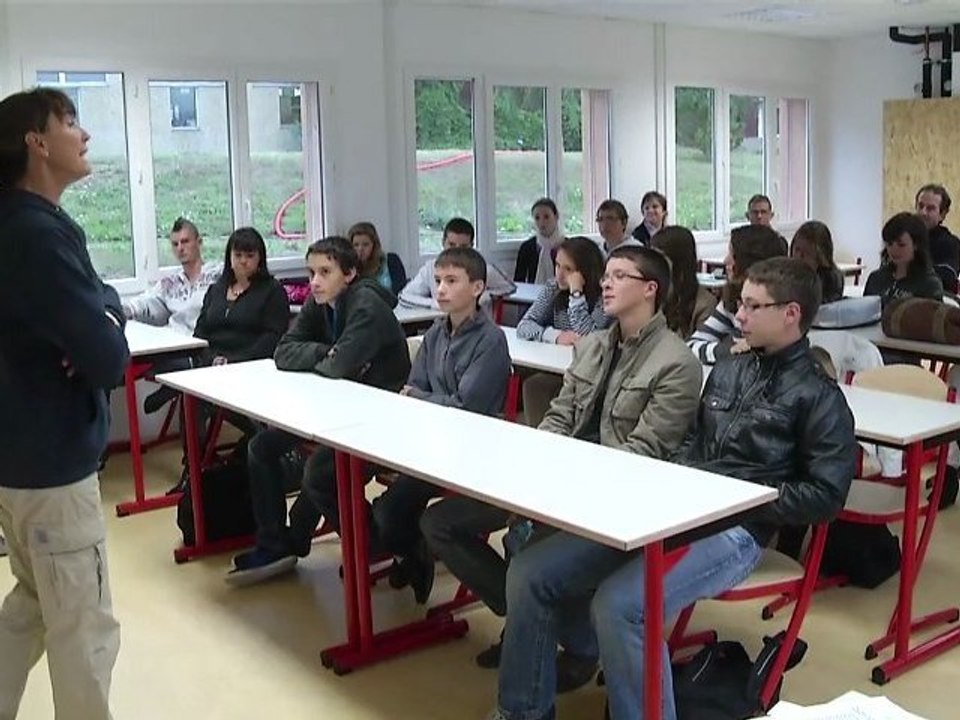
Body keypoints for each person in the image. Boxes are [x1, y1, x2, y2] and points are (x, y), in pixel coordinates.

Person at [489, 258, 856, 720]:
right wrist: (678, 480)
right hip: (675, 510)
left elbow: (825, 496)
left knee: (622, 606)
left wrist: (746, 498)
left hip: (738, 530)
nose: (738, 316)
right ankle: (522, 711)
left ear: (792, 314)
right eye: (739, 303)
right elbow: (690, 439)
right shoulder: (729, 368)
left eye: (753, 306)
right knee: (529, 571)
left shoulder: (819, 397)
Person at [423, 245, 702, 676]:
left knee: (527, 550)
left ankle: (560, 637)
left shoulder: (676, 362)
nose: (605, 283)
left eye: (619, 276)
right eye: (605, 275)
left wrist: (563, 487)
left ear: (650, 289)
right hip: (559, 478)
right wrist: (538, 467)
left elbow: (644, 454)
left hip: (611, 495)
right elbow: (559, 415)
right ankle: (537, 624)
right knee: (443, 522)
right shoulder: (592, 347)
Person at [0, 86, 128, 720]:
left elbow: (104, 301)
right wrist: (100, 327)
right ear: (37, 142)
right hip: (51, 467)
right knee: (83, 627)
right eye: (72, 122)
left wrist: (100, 315)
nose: (86, 135)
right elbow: (106, 357)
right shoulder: (36, 234)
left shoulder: (17, 223)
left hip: (19, 464)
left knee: (31, 602)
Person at [227, 236, 410, 584]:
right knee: (261, 447)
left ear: (350, 273)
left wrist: (329, 357)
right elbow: (284, 352)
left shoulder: (367, 306)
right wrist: (325, 351)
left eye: (325, 272)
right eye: (311, 272)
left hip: (382, 419)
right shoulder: (320, 301)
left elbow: (336, 367)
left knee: (320, 468)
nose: (314, 282)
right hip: (336, 410)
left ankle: (376, 541)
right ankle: (276, 542)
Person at [370, 246, 511, 603]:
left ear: (478, 288)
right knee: (386, 511)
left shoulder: (490, 340)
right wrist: (422, 399)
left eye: (451, 281)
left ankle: (502, 596)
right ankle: (414, 555)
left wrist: (421, 398)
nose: (441, 290)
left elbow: (466, 408)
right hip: (431, 445)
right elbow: (414, 388)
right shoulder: (435, 333)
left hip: (474, 452)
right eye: (437, 281)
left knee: (417, 515)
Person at [122, 216, 221, 413]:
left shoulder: (217, 274)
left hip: (202, 346)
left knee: (185, 368)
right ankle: (168, 387)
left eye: (185, 242)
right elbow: (146, 301)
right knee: (125, 362)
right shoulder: (170, 282)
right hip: (172, 344)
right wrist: (121, 310)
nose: (180, 248)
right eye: (175, 244)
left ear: (199, 242)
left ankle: (168, 389)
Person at [516, 235, 608, 426]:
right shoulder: (553, 287)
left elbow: (588, 335)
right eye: (558, 266)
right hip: (558, 365)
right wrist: (554, 336)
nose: (559, 274)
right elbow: (524, 326)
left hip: (591, 371)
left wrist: (576, 294)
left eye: (568, 269)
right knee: (534, 385)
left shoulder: (604, 296)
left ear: (585, 271)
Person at [688, 224, 785, 363]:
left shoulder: (779, 303)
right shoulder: (732, 299)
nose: (725, 261)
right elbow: (692, 346)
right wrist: (730, 350)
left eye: (732, 255)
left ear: (748, 261)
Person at [400, 217, 515, 308]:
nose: (456, 251)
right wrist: (434, 304)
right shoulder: (430, 268)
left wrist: (486, 295)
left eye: (463, 246)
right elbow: (405, 296)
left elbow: (509, 288)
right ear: (443, 242)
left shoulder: (483, 269)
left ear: (471, 246)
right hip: (441, 326)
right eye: (451, 244)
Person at [864, 211, 943, 307]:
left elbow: (932, 319)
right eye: (889, 244)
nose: (894, 250)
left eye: (901, 245)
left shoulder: (929, 284)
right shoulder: (875, 278)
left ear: (916, 245)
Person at [651, 225, 717, 338]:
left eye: (660, 258)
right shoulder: (651, 295)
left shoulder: (704, 304)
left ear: (679, 261)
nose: (653, 264)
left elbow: (699, 348)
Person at [915, 184, 959, 293]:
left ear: (942, 214)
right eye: (920, 206)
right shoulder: (903, 239)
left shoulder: (950, 243)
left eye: (930, 208)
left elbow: (946, 278)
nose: (923, 212)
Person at [789, 220, 845, 303]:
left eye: (807, 252)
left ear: (821, 256)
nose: (799, 256)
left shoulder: (831, 280)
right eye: (797, 249)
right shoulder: (786, 275)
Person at [348, 220, 407, 297]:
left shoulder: (391, 260)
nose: (360, 249)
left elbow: (401, 292)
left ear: (374, 245)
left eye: (365, 245)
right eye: (356, 245)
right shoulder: (348, 268)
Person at [514, 198, 564, 284]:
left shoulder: (568, 247)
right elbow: (519, 281)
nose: (542, 222)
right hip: (532, 295)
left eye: (546, 217)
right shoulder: (527, 247)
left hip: (563, 295)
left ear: (556, 217)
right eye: (537, 218)